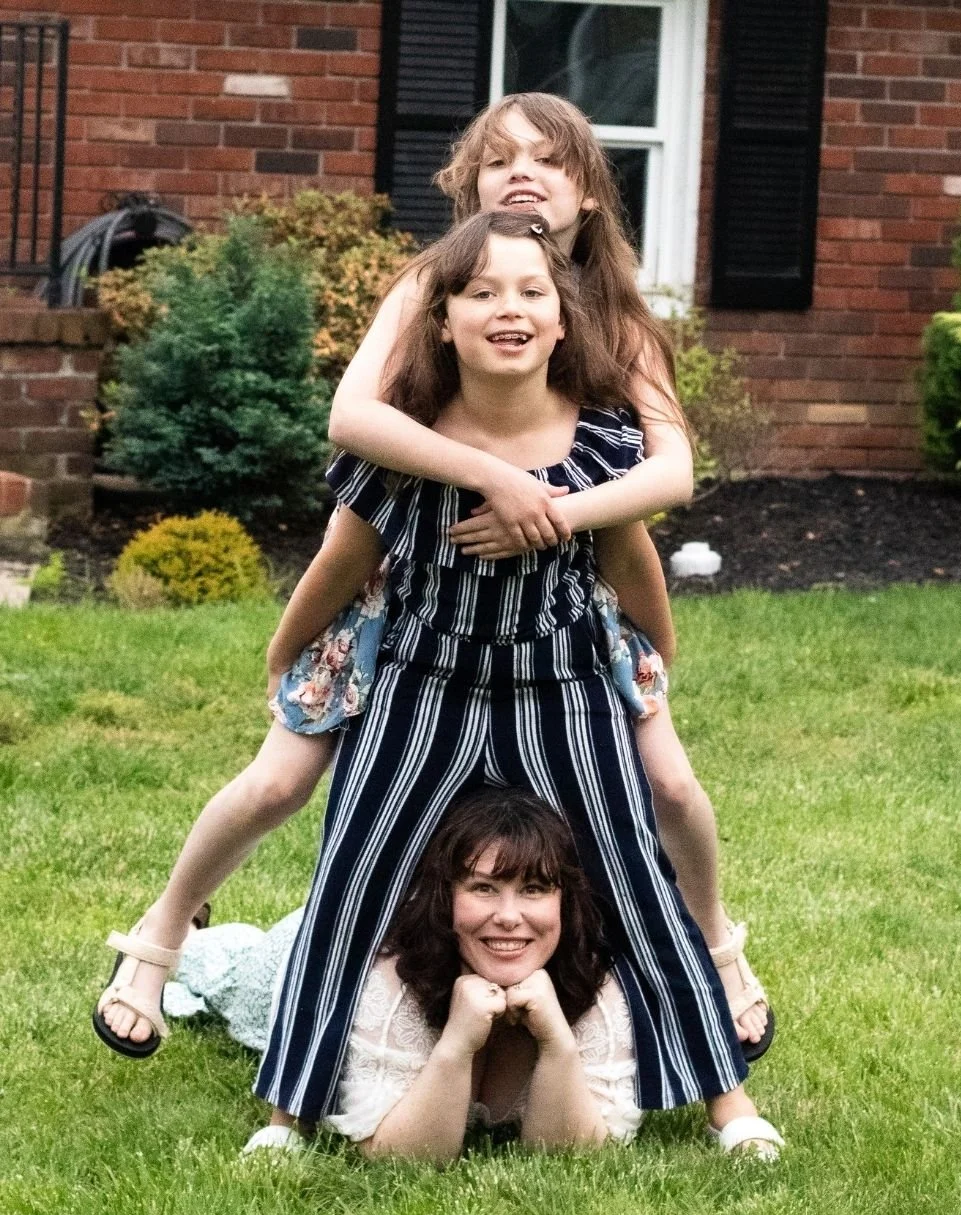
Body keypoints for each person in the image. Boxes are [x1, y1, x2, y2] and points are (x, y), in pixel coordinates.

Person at [94, 91, 769, 1063]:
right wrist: (492, 475)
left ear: (589, 196)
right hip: (402, 589)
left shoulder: (617, 321)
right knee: (278, 777)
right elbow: (351, 423)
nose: (524, 173)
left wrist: (548, 513)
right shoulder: (430, 285)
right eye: (500, 160)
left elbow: (667, 475)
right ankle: (159, 939)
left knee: (666, 780)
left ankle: (716, 951)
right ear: (467, 187)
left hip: (565, 599)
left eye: (551, 160)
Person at [249, 210, 778, 1155]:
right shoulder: (402, 451)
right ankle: (288, 1114)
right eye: (481, 291)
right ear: (441, 319)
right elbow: (340, 560)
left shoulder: (606, 449)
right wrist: (285, 652)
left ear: (564, 321)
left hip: (564, 690)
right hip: (424, 691)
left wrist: (656, 657)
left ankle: (726, 1105)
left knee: (632, 871)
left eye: (533, 291)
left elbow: (633, 566)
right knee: (351, 877)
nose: (510, 309)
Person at [168, 789, 781, 1159]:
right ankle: (187, 937)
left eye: (534, 889)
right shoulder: (384, 979)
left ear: (565, 901)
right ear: (446, 895)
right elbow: (395, 1157)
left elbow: (574, 1153)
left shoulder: (603, 984)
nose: (509, 918)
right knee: (229, 974)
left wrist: (556, 1041)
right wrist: (458, 1041)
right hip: (293, 958)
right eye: (483, 888)